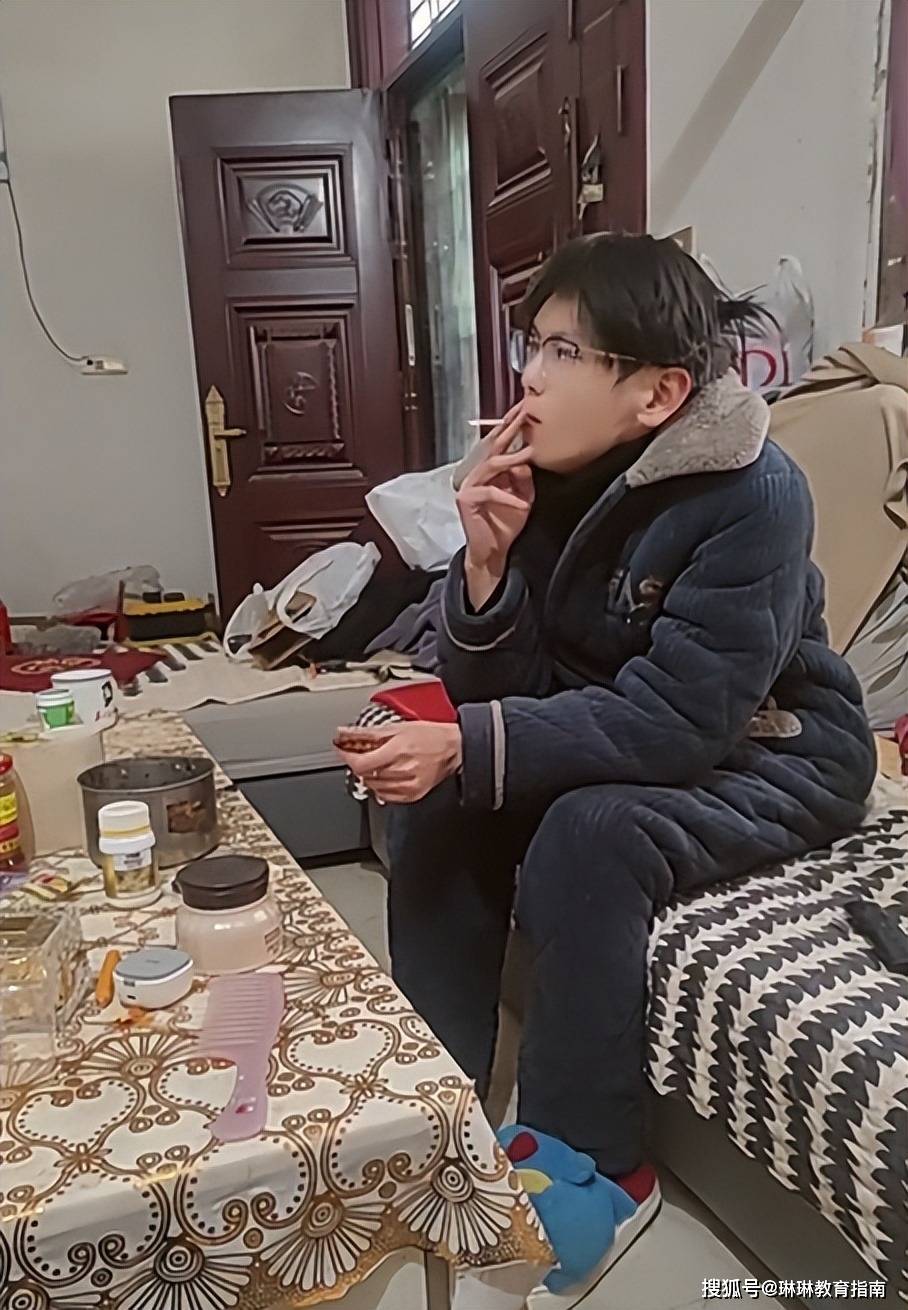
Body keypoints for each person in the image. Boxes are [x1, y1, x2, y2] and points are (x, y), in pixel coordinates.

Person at [337, 234, 876, 1307]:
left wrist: (472, 739)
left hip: (767, 750)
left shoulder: (756, 493)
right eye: (531, 345)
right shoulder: (544, 477)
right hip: (634, 731)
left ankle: (593, 1161)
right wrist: (484, 568)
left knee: (589, 834)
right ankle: (433, 1097)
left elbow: (680, 719)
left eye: (563, 352)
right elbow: (518, 682)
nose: (529, 379)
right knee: (446, 798)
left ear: (658, 392)